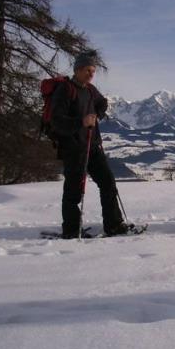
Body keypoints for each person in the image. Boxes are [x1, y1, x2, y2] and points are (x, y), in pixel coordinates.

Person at [50, 50, 130, 238]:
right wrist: (81, 121)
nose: (91, 74)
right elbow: (57, 121)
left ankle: (114, 225)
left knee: (108, 183)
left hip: (92, 146)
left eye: (93, 70)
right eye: (88, 70)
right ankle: (71, 229)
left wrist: (97, 115)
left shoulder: (90, 89)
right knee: (74, 191)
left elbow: (102, 103)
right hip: (73, 148)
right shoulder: (65, 90)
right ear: (78, 69)